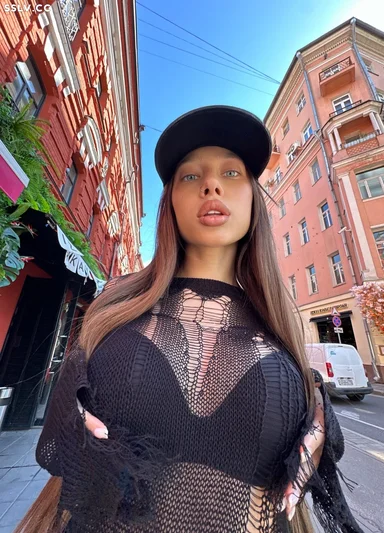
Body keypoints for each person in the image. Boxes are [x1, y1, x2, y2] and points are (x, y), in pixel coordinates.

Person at [16, 106, 362, 533]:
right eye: (190, 176)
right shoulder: (115, 307)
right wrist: (71, 403)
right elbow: (71, 400)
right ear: (171, 204)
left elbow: (311, 440)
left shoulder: (280, 326)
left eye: (231, 173)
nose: (211, 185)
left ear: (253, 198)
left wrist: (311, 400)